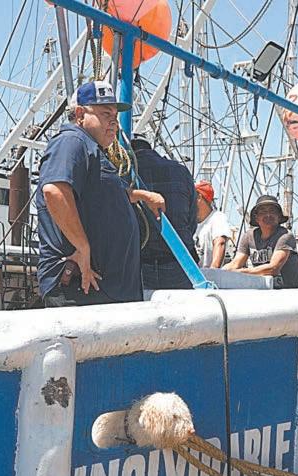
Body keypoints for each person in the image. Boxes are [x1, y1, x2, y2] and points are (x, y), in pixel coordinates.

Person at [37, 81, 165, 307]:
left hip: (104, 289)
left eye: (115, 116)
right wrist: (82, 247)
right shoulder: (72, 141)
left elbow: (102, 199)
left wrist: (142, 196)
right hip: (84, 287)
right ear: (80, 114)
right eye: (106, 114)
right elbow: (55, 191)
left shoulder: (93, 150)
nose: (114, 122)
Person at [131, 135, 197, 289]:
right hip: (180, 262)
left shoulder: (126, 174)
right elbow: (192, 220)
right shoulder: (180, 171)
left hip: (140, 264)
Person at [224, 195, 298, 288]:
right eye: (263, 212)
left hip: (292, 290)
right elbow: (236, 263)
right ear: (257, 218)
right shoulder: (249, 236)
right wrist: (218, 272)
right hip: (266, 289)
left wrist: (241, 272)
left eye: (272, 211)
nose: (268, 215)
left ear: (279, 217)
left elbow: (273, 268)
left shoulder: (285, 236)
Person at [194, 180, 232, 268]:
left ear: (199, 197)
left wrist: (213, 270)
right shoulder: (191, 222)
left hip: (206, 274)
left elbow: (220, 243)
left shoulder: (218, 218)